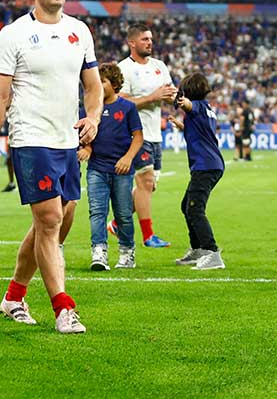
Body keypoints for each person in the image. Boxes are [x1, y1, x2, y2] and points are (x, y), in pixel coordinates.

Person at [0, 0, 102, 334]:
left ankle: (14, 296)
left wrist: (93, 117)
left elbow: (94, 86)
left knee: (57, 223)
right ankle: (64, 308)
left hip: (67, 141)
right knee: (49, 221)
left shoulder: (79, 31)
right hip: (31, 138)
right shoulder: (13, 34)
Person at [112, 24, 173, 248]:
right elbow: (121, 102)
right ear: (132, 43)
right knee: (145, 182)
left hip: (155, 134)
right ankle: (148, 236)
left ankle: (117, 223)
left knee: (149, 186)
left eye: (151, 39)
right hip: (135, 134)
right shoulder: (124, 69)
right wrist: (153, 96)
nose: (150, 42)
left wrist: (170, 97)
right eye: (145, 39)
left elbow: (169, 93)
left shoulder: (159, 66)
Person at [77, 63, 142, 271]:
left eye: (102, 81)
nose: (97, 85)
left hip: (122, 171)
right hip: (97, 168)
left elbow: (138, 137)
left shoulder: (128, 107)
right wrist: (86, 147)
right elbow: (82, 134)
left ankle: (127, 252)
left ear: (114, 84)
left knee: (123, 213)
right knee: (97, 212)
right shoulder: (86, 109)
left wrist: (128, 158)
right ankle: (99, 253)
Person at [167, 73, 226, 270]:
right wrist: (181, 125)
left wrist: (173, 97)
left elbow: (186, 105)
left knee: (194, 209)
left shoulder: (197, 106)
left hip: (205, 165)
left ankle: (212, 251)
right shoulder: (207, 109)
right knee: (187, 206)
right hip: (209, 164)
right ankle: (198, 249)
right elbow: (200, 130)